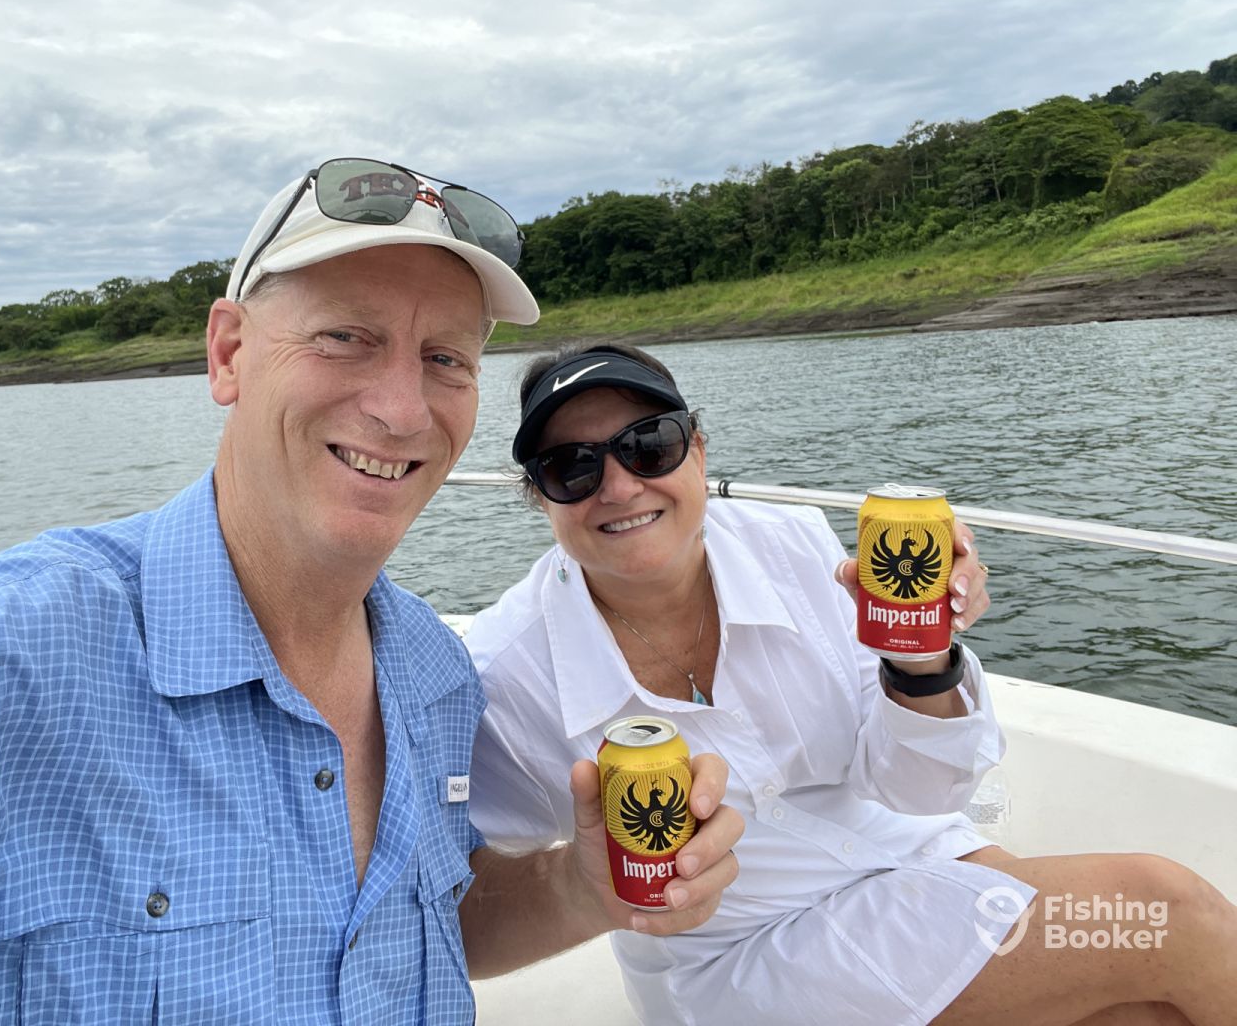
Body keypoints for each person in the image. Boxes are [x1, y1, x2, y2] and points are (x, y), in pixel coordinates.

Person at [0, 162, 742, 1025]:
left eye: (445, 358)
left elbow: (427, 923)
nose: (402, 409)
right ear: (228, 354)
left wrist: (580, 887)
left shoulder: (434, 672)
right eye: (344, 337)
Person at [465, 341, 1237, 1026]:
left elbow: (921, 791)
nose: (619, 486)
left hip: (917, 865)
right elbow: (455, 905)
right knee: (1160, 910)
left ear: (697, 450)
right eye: (571, 467)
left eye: (649, 445)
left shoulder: (794, 546)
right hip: (743, 963)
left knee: (1149, 1010)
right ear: (538, 497)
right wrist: (577, 883)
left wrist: (921, 657)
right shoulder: (509, 673)